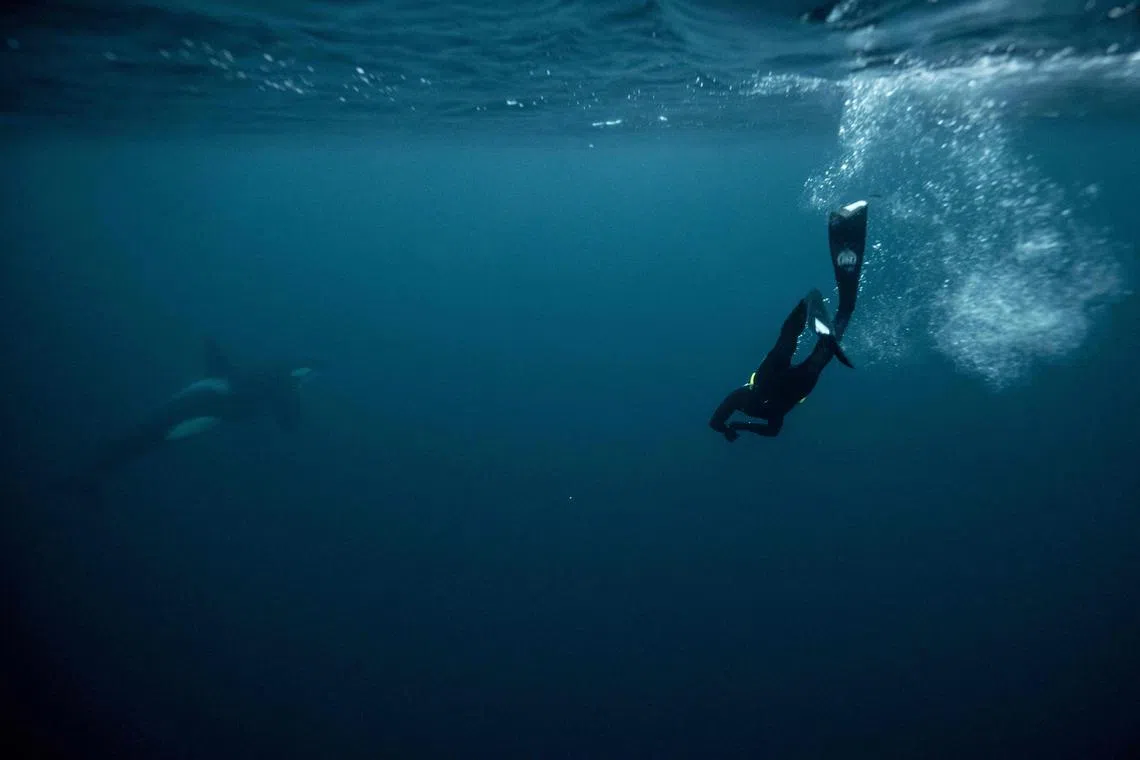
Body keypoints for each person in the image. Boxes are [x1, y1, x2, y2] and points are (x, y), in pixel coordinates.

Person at [709, 200, 868, 441]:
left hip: (789, 395)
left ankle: (827, 323)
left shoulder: (761, 411)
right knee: (788, 339)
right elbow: (715, 422)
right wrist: (730, 426)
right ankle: (810, 306)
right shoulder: (739, 398)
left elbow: (771, 431)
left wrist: (737, 428)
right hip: (764, 382)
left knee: (827, 343)